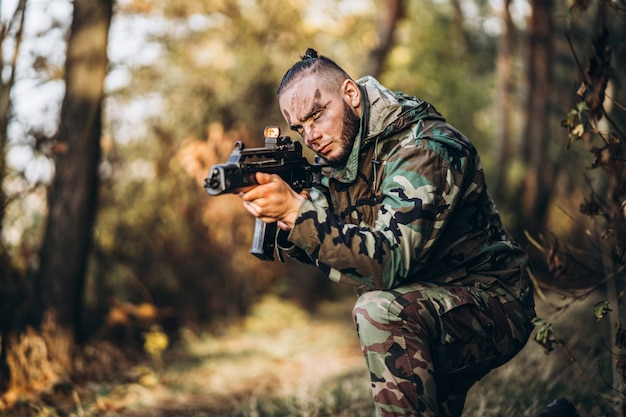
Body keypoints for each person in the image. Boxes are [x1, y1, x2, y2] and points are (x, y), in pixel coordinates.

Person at [240, 48, 536, 417]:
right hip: (427, 296)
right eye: (300, 128)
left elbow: (387, 263)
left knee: (380, 310)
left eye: (316, 115)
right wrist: (287, 221)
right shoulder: (339, 157)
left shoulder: (424, 148)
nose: (311, 136)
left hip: (493, 300)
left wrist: (298, 213)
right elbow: (333, 239)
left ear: (350, 94)